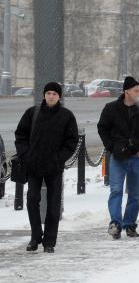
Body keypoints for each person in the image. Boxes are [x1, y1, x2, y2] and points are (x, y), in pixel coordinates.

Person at [15, 82, 79, 253]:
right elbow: (20, 135)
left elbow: (71, 142)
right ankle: (35, 236)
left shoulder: (67, 116)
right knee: (32, 200)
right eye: (48, 93)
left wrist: (58, 159)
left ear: (59, 97)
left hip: (54, 167)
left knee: (53, 204)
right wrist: (25, 155)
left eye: (54, 94)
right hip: (34, 166)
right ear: (44, 95)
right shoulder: (32, 113)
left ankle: (49, 241)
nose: (51, 96)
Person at [97, 76, 139, 239]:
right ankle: (115, 223)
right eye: (136, 90)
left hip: (138, 157)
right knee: (116, 190)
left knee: (135, 194)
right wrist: (112, 147)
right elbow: (102, 128)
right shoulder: (111, 108)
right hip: (118, 157)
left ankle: (130, 224)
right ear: (126, 91)